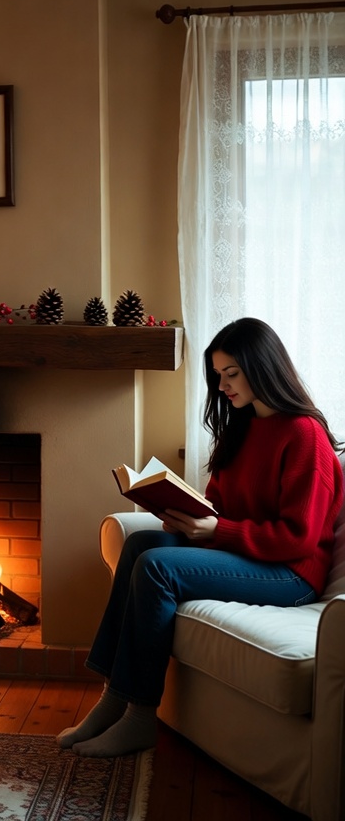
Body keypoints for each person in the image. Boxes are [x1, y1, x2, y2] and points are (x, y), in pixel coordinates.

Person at [58, 317, 343, 758]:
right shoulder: (241, 428)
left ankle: (137, 717)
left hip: (291, 574)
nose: (223, 386)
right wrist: (185, 518)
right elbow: (217, 504)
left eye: (232, 374)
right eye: (218, 376)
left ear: (262, 367)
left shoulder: (304, 434)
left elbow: (299, 539)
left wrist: (217, 530)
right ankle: (111, 698)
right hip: (248, 557)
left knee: (156, 568)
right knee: (140, 545)